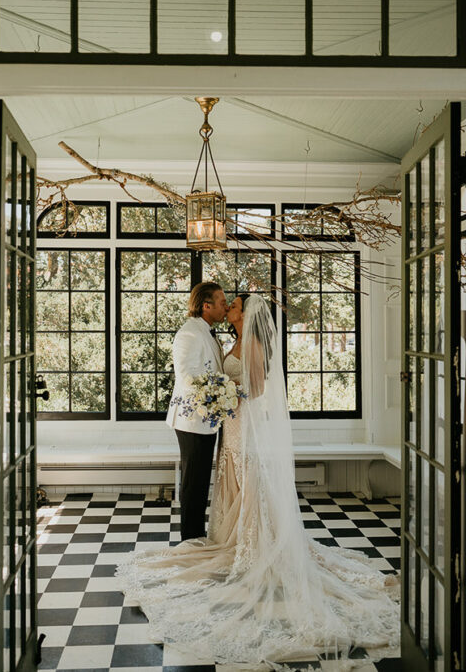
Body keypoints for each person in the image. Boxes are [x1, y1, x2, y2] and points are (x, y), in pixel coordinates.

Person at [118, 293, 399, 667]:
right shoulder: (227, 338)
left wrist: (228, 394)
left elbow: (259, 387)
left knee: (244, 472)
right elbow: (206, 374)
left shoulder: (249, 341)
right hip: (228, 420)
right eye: (224, 303)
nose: (228, 307)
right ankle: (228, 536)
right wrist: (223, 395)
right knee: (231, 474)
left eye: (232, 304)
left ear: (244, 314)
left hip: (241, 420)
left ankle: (251, 539)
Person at [166, 281, 228, 541]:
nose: (225, 307)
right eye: (222, 303)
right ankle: (189, 541)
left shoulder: (206, 331)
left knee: (201, 482)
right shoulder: (190, 333)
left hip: (206, 419)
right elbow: (187, 376)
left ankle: (196, 537)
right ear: (206, 306)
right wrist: (223, 389)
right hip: (192, 420)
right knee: (193, 484)